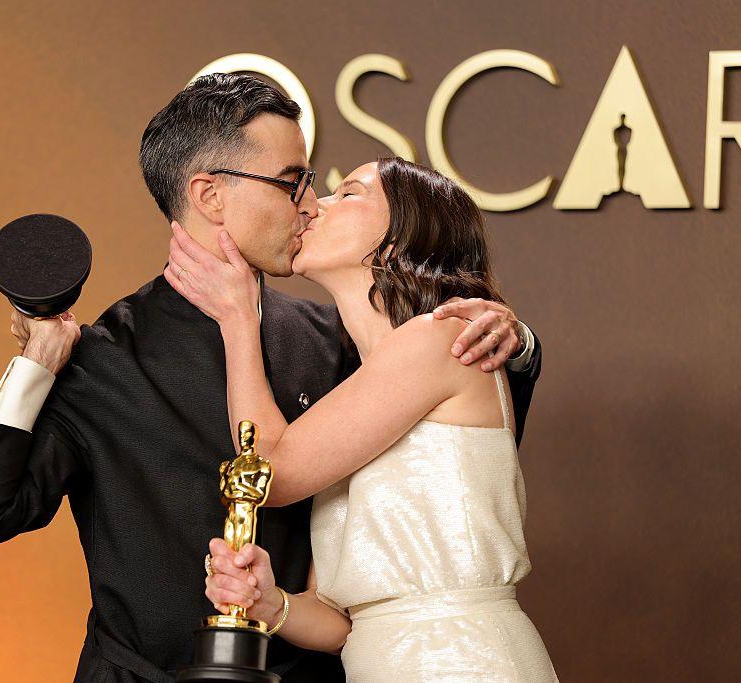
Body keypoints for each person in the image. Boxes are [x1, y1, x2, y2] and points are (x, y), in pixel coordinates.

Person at [0, 73, 541, 682]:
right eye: (290, 181)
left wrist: (512, 340)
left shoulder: (338, 338)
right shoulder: (101, 358)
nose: (308, 202)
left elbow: (460, 458)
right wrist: (35, 367)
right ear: (210, 195)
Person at [173, 157, 555, 681]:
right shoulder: (362, 386)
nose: (313, 206)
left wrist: (239, 317)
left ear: (399, 241)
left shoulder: (436, 341)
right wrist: (271, 603)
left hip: (462, 663)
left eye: (348, 194)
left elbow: (271, 471)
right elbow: (343, 622)